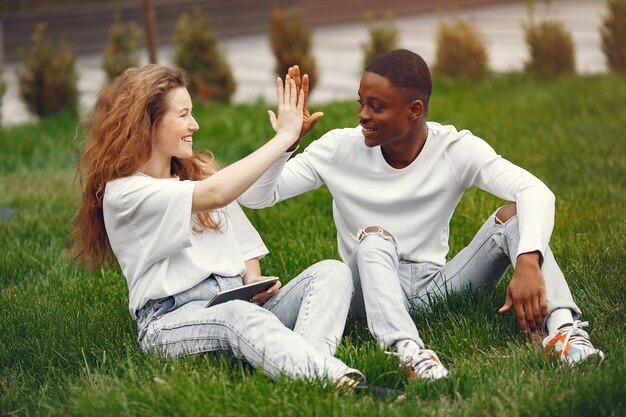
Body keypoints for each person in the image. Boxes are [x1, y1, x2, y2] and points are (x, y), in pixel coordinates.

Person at [239, 49, 605, 380]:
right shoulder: (339, 148)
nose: (362, 115)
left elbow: (535, 190)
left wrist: (527, 260)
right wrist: (285, 143)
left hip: (435, 287)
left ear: (413, 109)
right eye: (361, 103)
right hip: (367, 291)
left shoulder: (454, 149)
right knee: (373, 237)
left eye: (376, 106)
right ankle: (408, 352)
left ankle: (563, 332)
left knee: (516, 218)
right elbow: (258, 196)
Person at [69, 64, 404, 399]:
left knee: (332, 273)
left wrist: (252, 281)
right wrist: (284, 139)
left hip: (238, 301)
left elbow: (244, 245)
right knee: (236, 315)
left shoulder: (197, 171)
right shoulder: (125, 194)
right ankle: (342, 382)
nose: (194, 124)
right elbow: (217, 193)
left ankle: (302, 368)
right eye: (184, 115)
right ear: (147, 123)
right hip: (171, 319)